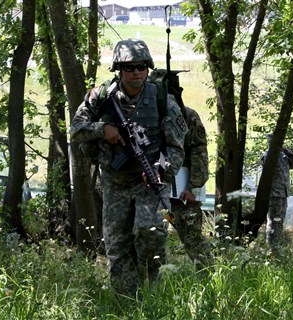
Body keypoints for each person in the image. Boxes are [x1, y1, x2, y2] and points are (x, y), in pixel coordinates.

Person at [70, 39, 187, 295]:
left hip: (151, 182)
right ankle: (125, 302)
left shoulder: (161, 100)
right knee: (118, 244)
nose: (136, 72)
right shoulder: (100, 97)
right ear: (118, 69)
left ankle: (157, 297)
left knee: (152, 235)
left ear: (148, 68)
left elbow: (177, 147)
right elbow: (76, 129)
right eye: (129, 67)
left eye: (142, 66)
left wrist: (160, 169)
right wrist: (103, 129)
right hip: (115, 182)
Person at [149, 69, 213, 268]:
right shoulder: (145, 115)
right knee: (153, 234)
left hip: (182, 194)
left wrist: (193, 187)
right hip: (156, 189)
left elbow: (199, 154)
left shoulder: (187, 116)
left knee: (191, 236)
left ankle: (209, 275)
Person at [261, 133, 293, 255]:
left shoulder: (284, 156)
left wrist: (286, 150)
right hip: (274, 193)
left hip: (283, 192)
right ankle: (271, 246)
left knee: (280, 220)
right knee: (273, 220)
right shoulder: (268, 156)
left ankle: (276, 245)